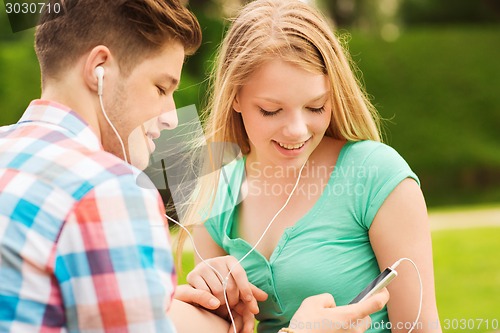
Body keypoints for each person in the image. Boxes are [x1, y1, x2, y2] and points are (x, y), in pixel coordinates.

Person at [0, 0, 387, 332]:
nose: (171, 116)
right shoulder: (109, 192)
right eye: (161, 87)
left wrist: (184, 315)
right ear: (99, 69)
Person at [179, 0, 442, 333]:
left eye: (316, 106)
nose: (297, 131)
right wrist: (207, 304)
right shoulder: (215, 189)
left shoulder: (374, 175)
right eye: (271, 110)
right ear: (235, 97)